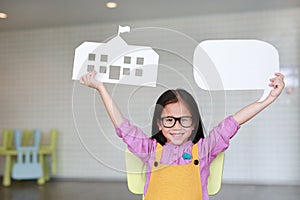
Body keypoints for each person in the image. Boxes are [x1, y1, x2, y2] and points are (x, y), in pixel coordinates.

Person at [80, 70, 285, 200]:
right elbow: (122, 125)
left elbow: (234, 121)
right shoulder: (150, 149)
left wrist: (268, 99)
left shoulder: (204, 148)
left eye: (184, 119)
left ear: (194, 122)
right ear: (159, 123)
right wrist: (101, 88)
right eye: (169, 120)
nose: (177, 127)